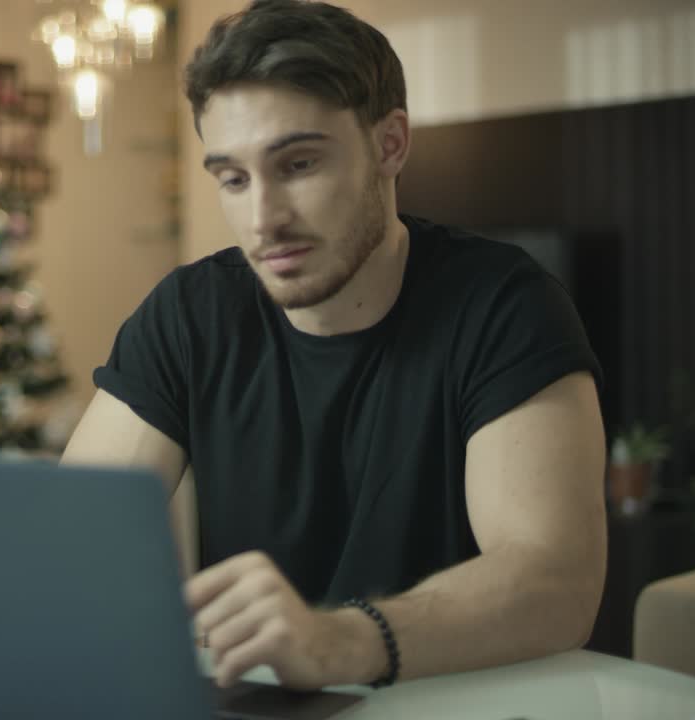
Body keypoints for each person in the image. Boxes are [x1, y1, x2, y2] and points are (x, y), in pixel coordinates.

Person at [61, 0, 607, 692]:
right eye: (233, 177)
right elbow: (72, 537)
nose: (263, 221)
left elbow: (556, 585)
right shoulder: (189, 314)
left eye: (298, 164)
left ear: (391, 144)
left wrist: (339, 640)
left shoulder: (505, 306)